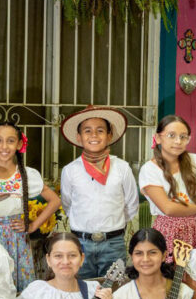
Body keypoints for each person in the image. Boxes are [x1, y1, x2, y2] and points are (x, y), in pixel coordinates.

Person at [0, 122, 61, 291]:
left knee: (17, 285)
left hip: (16, 239)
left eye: (10, 141)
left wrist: (33, 225)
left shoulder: (26, 175)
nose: (4, 146)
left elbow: (55, 201)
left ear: (20, 144)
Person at [59, 105, 140, 279]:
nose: (94, 135)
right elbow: (67, 204)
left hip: (113, 243)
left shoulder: (122, 168)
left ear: (109, 136)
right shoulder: (70, 170)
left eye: (100, 130)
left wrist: (112, 228)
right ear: (79, 137)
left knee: (113, 290)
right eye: (87, 131)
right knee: (82, 292)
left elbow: (131, 204)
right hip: (80, 244)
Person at [138, 115, 196, 259]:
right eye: (171, 135)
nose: (178, 141)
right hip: (169, 230)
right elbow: (168, 209)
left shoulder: (194, 160)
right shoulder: (149, 169)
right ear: (158, 137)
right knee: (171, 274)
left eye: (183, 137)